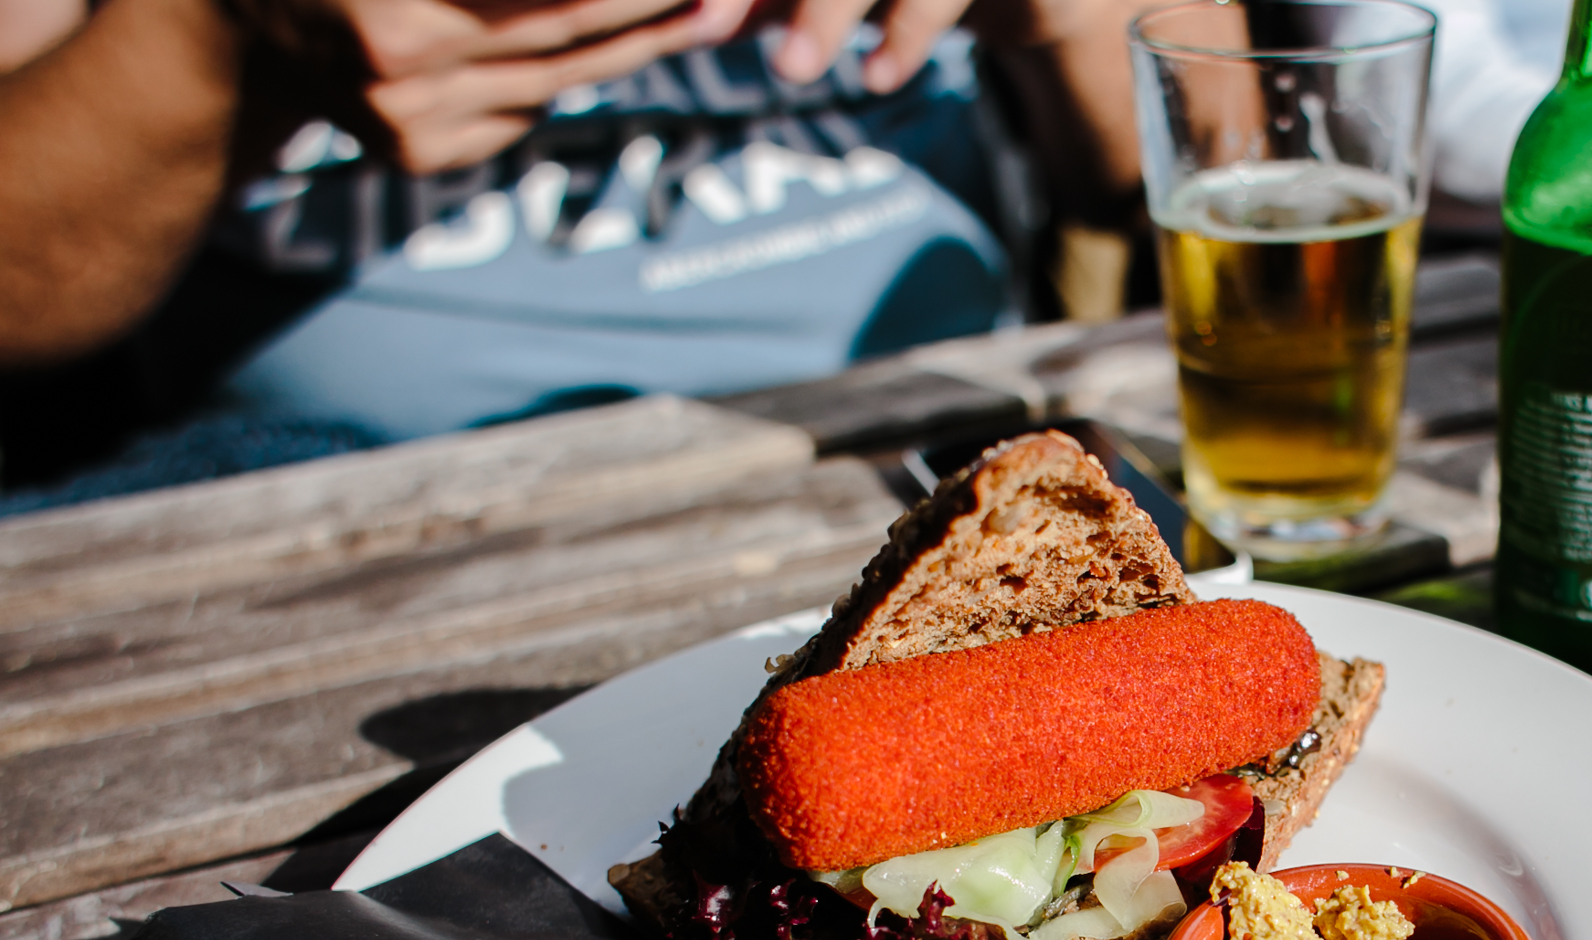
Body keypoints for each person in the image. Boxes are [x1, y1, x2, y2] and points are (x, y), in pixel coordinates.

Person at [0, 0, 1153, 498]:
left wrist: (1083, 21)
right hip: (349, 495)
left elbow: (1213, 161)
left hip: (938, 437)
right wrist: (216, 37)